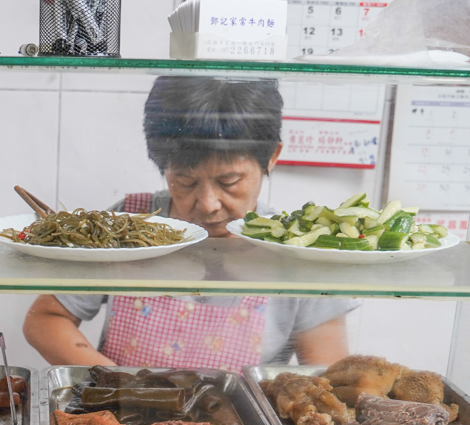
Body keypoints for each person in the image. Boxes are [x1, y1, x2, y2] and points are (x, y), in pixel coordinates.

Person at [24, 76, 356, 370]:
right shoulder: (129, 221)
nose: (208, 205)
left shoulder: (295, 248)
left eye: (229, 182)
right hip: (125, 421)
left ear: (271, 157)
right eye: (184, 180)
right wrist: (121, 386)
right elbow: (45, 320)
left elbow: (329, 374)